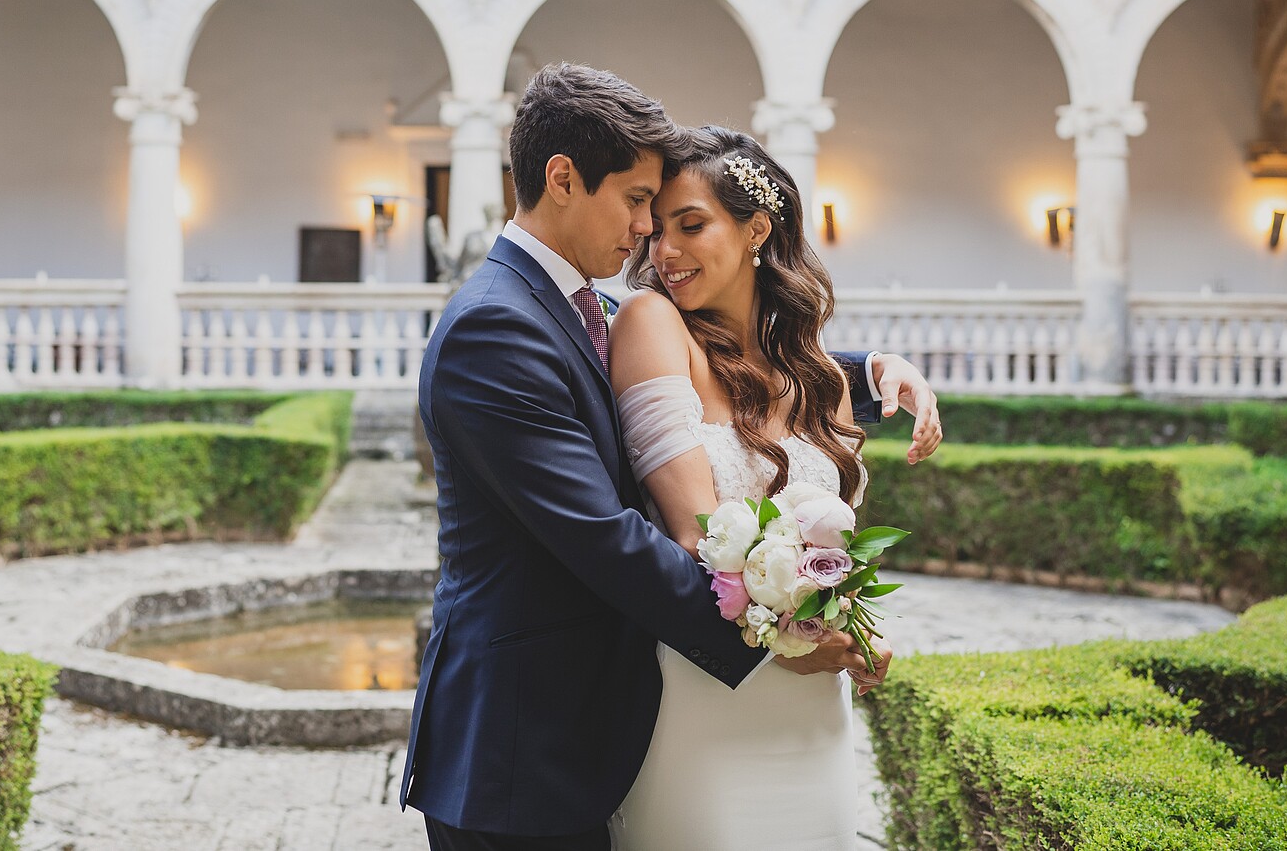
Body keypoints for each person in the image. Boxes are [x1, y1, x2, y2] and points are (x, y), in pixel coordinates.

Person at [401, 63, 942, 851]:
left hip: (597, 728)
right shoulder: (497, 327)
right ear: (561, 179)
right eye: (637, 203)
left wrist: (870, 370)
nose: (646, 234)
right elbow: (605, 535)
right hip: (519, 745)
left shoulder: (581, 306)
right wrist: (773, 635)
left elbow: (731, 367)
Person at [610, 126, 875, 850]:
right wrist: (792, 640)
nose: (664, 253)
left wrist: (850, 630)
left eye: (690, 226)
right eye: (655, 231)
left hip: (817, 703)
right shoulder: (650, 322)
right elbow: (698, 535)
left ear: (757, 227)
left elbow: (834, 545)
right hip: (711, 688)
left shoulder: (821, 378)